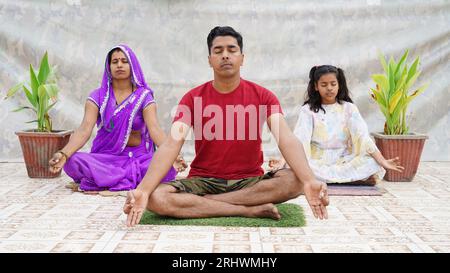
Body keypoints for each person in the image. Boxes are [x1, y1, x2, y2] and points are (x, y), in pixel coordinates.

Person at [123, 26, 329, 227]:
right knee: (156, 197)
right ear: (210, 60)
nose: (225, 55)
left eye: (232, 50)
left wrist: (309, 180)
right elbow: (170, 145)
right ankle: (246, 210)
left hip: (249, 181)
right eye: (218, 51)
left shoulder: (263, 96)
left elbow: (286, 138)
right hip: (203, 182)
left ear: (242, 58)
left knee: (294, 180)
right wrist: (143, 190)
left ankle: (207, 205)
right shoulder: (191, 98)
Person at [48, 44, 187, 194]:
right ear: (109, 67)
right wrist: (63, 154)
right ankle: (123, 179)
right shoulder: (97, 96)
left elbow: (155, 129)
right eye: (115, 62)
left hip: (138, 159)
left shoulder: (143, 96)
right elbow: (84, 129)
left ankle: (104, 180)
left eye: (124, 61)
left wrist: (172, 156)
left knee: (167, 167)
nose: (119, 65)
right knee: (72, 162)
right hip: (105, 159)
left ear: (132, 65)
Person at [269, 65, 404, 185]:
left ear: (339, 85)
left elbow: (363, 136)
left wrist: (383, 161)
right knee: (294, 165)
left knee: (371, 162)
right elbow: (299, 138)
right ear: (316, 86)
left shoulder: (349, 108)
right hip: (316, 161)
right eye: (324, 85)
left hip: (344, 160)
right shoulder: (308, 110)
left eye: (333, 84)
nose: (329, 88)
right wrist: (283, 161)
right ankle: (353, 180)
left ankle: (328, 179)